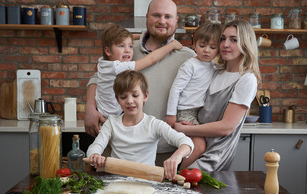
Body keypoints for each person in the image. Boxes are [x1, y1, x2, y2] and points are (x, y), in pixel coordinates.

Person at [85, 0, 196, 157]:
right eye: (156, 15)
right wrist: (90, 108)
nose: (162, 21)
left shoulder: (188, 57)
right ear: (147, 17)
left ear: (176, 21)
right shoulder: (126, 48)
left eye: (168, 16)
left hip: (167, 152)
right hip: (120, 149)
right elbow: (98, 78)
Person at [174, 20, 261, 171]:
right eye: (223, 39)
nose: (225, 44)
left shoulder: (246, 79)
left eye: (234, 40)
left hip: (214, 157)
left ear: (246, 44)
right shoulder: (215, 72)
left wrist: (185, 130)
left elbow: (225, 128)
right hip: (195, 147)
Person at [87, 70, 194, 180]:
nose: (129, 101)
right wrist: (95, 154)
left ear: (145, 95)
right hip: (117, 181)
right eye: (123, 97)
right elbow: (96, 146)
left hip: (147, 182)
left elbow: (187, 142)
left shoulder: (154, 124)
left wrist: (176, 157)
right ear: (117, 99)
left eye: (135, 95)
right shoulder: (111, 123)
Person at [95, 22, 182, 118]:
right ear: (108, 51)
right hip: (111, 117)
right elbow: (151, 59)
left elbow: (128, 38)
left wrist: (145, 37)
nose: (127, 50)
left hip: (102, 110)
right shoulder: (117, 67)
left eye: (130, 46)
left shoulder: (103, 62)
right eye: (121, 46)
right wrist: (171, 45)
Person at [165, 22, 222, 162]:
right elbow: (176, 89)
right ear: (194, 45)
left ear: (218, 50)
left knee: (196, 146)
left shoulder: (212, 67)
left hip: (201, 113)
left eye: (212, 47)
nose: (207, 50)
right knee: (199, 146)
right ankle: (177, 174)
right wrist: (171, 114)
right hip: (186, 111)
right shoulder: (190, 65)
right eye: (202, 46)